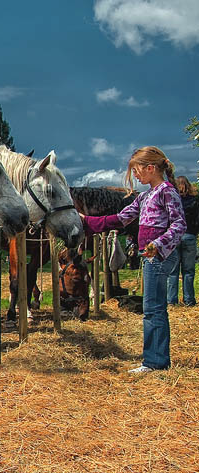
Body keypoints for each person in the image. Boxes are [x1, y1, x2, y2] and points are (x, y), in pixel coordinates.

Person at [79, 147, 185, 373]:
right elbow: (120, 219)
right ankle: (155, 360)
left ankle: (155, 362)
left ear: (150, 168)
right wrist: (86, 221)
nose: (135, 176)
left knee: (153, 309)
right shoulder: (146, 196)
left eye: (136, 171)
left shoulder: (167, 192)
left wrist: (158, 244)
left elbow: (179, 225)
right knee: (153, 308)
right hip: (150, 256)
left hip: (159, 256)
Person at [166, 176, 198, 306]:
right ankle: (189, 300)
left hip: (174, 235)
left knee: (173, 271)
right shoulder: (195, 201)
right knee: (188, 271)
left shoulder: (172, 201)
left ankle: (171, 301)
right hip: (189, 235)